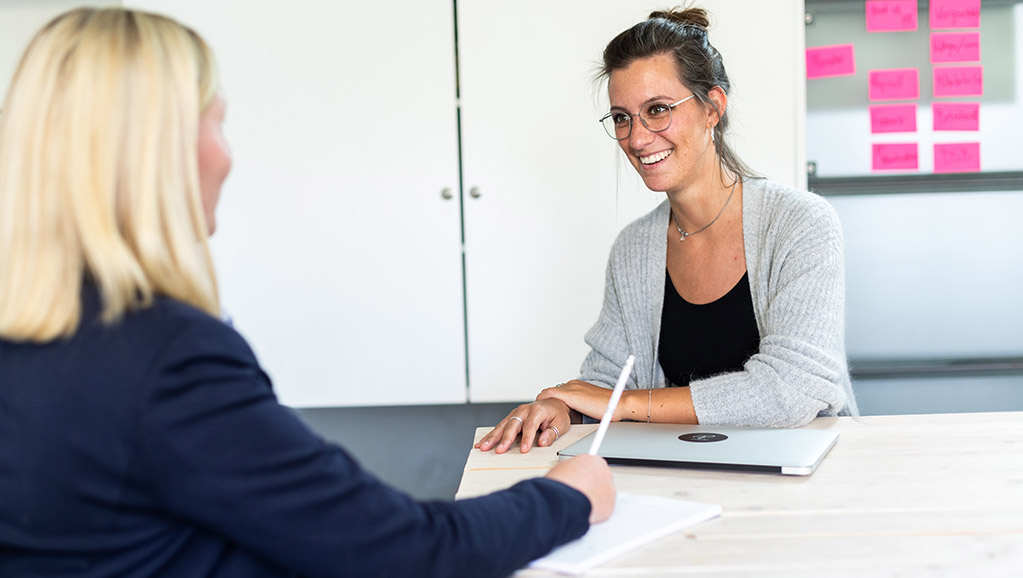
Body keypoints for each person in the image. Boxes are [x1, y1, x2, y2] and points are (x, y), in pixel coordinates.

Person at [0, 8, 614, 577]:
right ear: (156, 152)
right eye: (216, 121)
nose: (226, 155)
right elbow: (405, 552)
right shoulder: (164, 357)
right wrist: (566, 496)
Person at [477, 7, 858, 455]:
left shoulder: (800, 223)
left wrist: (622, 404)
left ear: (712, 108)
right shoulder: (634, 249)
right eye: (622, 117)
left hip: (804, 475)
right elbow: (607, 379)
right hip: (685, 474)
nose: (637, 139)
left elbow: (790, 391)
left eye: (657, 110)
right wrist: (564, 407)